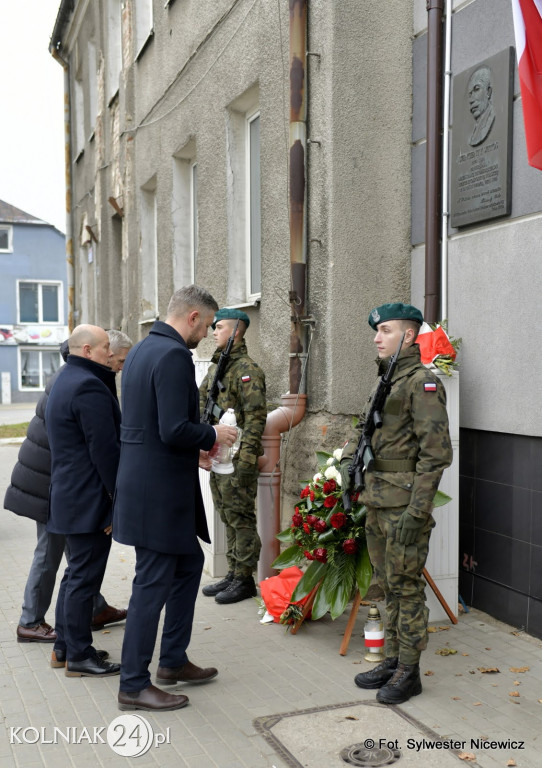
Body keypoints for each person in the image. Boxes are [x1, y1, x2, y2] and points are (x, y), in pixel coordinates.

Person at [113, 285, 238, 712]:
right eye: (205, 325)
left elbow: (151, 426)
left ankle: (172, 661)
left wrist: (196, 450)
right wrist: (213, 435)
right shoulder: (171, 356)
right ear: (191, 318)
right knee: (150, 586)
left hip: (154, 485)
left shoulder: (145, 349)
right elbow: (171, 428)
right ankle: (133, 684)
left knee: (190, 564)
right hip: (157, 494)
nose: (205, 334)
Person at [340, 303, 452, 705]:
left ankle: (409, 670)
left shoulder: (420, 382)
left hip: (404, 505)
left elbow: (436, 454)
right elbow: (366, 430)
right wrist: (347, 470)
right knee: (385, 584)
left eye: (385, 330)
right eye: (377, 330)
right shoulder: (387, 379)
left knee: (406, 588)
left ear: (407, 336)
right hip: (377, 499)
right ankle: (392, 658)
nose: (376, 337)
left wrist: (418, 510)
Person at [3, 330, 132, 649]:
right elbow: (95, 446)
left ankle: (92, 609)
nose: (119, 366)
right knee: (50, 552)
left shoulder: (74, 374)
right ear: (98, 352)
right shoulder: (84, 382)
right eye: (118, 359)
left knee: (80, 560)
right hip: (48, 484)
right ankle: (30, 620)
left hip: (57, 482)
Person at [46, 324, 122, 677]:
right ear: (88, 349)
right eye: (106, 346)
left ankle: (64, 647)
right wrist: (114, 500)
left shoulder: (65, 377)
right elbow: (104, 451)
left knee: (74, 576)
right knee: (83, 580)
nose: (111, 352)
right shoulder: (89, 385)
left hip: (71, 496)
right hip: (88, 499)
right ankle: (79, 655)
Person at [198, 308, 266, 604]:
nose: (213, 331)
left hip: (239, 458)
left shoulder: (247, 370)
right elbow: (201, 404)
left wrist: (247, 463)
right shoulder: (216, 369)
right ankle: (234, 571)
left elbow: (255, 418)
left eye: (219, 327)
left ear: (236, 331)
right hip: (218, 456)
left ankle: (245, 578)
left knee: (241, 518)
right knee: (226, 513)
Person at [467, 65, 495, 146]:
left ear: (488, 92)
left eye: (476, 89)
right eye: (470, 94)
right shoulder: (475, 132)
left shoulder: (492, 118)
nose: (471, 100)